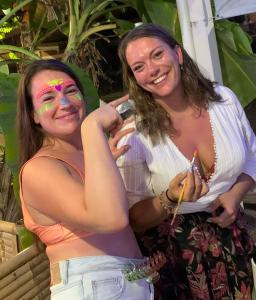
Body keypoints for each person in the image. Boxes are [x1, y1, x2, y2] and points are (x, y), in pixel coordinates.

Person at [116, 23, 256, 299]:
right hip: (176, 259)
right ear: (134, 78)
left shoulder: (224, 101)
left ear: (178, 54)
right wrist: (170, 198)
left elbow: (254, 158)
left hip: (233, 242)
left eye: (157, 55)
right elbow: (133, 218)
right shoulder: (134, 134)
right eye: (139, 67)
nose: (152, 70)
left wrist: (235, 194)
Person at [17, 59, 156, 300]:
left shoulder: (88, 155)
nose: (64, 103)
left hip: (125, 283)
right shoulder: (37, 169)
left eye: (71, 91)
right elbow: (110, 219)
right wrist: (91, 126)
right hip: (95, 288)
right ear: (33, 116)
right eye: (47, 98)